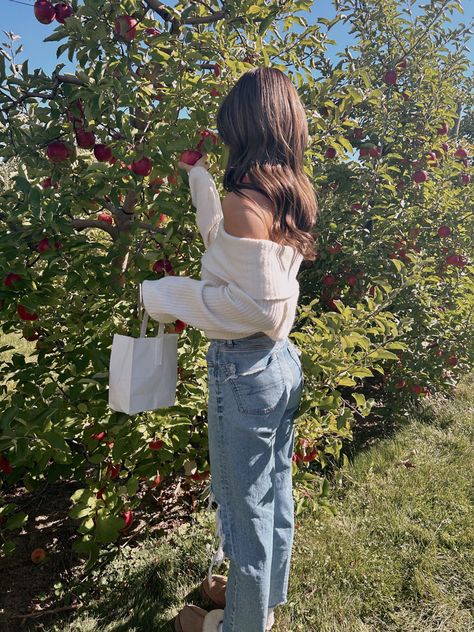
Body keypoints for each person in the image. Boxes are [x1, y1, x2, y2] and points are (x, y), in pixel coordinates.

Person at [140, 66, 318, 632]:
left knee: (245, 515)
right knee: (275, 493)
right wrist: (200, 186)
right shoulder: (286, 191)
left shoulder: (248, 201)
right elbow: (239, 265)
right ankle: (260, 601)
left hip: (244, 366)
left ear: (243, 122)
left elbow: (253, 307)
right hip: (277, 365)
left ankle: (239, 625)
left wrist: (167, 296)